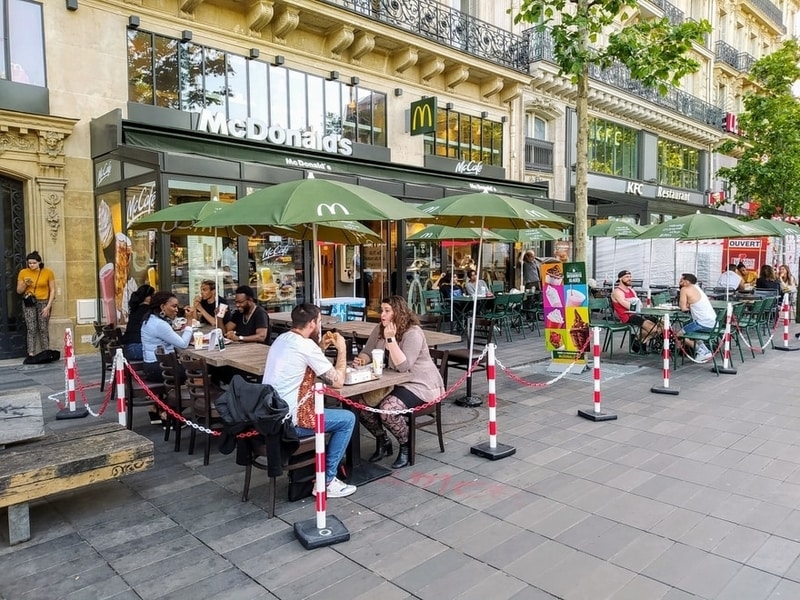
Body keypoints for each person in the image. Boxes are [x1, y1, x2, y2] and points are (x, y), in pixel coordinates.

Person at [261, 303, 356, 498]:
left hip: (270, 417)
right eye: (320, 322)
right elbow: (337, 382)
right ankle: (327, 481)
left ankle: (325, 473)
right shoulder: (306, 346)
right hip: (291, 423)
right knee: (347, 419)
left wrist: (320, 348)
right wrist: (343, 349)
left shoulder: (281, 339)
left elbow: (303, 362)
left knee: (339, 416)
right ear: (312, 323)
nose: (320, 326)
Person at [352, 296, 445, 469]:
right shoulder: (380, 328)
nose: (382, 314)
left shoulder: (413, 332)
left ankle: (405, 445)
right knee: (360, 405)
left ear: (399, 313)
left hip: (419, 384)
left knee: (388, 410)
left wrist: (390, 339)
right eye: (382, 310)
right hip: (392, 382)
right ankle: (382, 440)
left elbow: (403, 366)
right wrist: (362, 360)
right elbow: (367, 350)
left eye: (387, 311)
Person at [140, 291, 194, 383]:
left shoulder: (151, 319)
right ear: (162, 307)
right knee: (198, 372)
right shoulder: (159, 324)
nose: (177, 310)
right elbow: (183, 344)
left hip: (151, 365)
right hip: (159, 367)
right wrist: (189, 320)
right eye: (174, 306)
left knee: (194, 369)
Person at [16, 251, 56, 358]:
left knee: (43, 328)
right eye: (29, 263)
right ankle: (31, 353)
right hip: (29, 302)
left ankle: (46, 351)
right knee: (31, 328)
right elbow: (19, 291)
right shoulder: (23, 272)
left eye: (34, 263)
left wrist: (48, 306)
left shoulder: (48, 272)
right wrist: (25, 284)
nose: (31, 265)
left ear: (39, 262)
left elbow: (52, 290)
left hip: (44, 302)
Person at [610, 270, 659, 351]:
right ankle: (639, 341)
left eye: (630, 277)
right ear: (620, 279)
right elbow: (627, 305)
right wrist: (634, 303)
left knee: (660, 325)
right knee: (654, 329)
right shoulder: (617, 292)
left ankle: (639, 340)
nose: (630, 279)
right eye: (627, 277)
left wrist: (633, 303)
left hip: (636, 314)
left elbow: (639, 304)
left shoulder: (631, 290)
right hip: (627, 317)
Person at [677, 273, 716, 360]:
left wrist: (685, 304)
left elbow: (683, 308)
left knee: (678, 335)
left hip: (702, 323)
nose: (679, 282)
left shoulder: (684, 289)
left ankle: (700, 351)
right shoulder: (697, 287)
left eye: (681, 280)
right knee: (692, 333)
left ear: (686, 282)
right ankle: (706, 351)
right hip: (713, 323)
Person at [120, 284, 154, 360]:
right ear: (148, 298)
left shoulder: (135, 310)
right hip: (137, 348)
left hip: (128, 347)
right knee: (165, 352)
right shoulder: (148, 311)